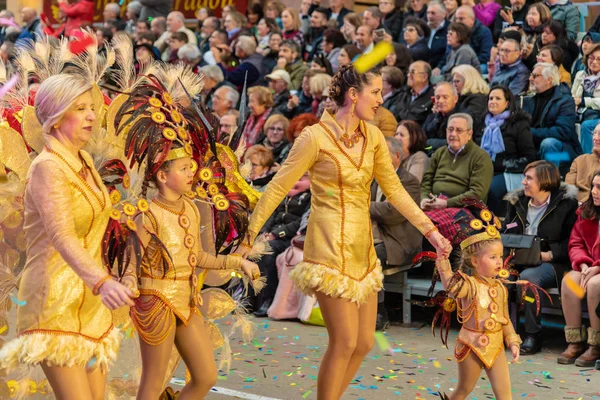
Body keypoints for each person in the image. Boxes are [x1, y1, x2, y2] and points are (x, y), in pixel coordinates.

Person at [239, 64, 451, 400]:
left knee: (365, 341)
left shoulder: (375, 138)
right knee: (345, 341)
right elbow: (278, 187)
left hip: (363, 250)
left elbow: (394, 190)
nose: (381, 99)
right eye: (376, 92)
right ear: (353, 95)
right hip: (327, 246)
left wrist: (432, 231)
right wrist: (248, 236)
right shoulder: (314, 137)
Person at [112, 75, 260, 400]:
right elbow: (130, 263)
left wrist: (237, 262)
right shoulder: (147, 214)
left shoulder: (192, 209)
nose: (192, 171)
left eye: (192, 166)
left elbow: (200, 259)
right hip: (155, 300)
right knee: (152, 384)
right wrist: (124, 284)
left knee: (205, 376)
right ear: (162, 176)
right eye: (183, 168)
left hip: (188, 298)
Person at [0, 74, 136, 398]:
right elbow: (62, 235)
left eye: (92, 107)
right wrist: (103, 282)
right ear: (57, 117)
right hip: (54, 302)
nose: (92, 115)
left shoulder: (84, 160)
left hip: (91, 303)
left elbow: (101, 227)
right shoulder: (49, 167)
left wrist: (125, 272)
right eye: (80, 108)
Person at [434, 207, 520, 400]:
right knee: (464, 389)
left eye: (500, 257)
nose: (499, 262)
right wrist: (443, 263)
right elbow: (452, 287)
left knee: (505, 395)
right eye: (492, 257)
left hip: (496, 345)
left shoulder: (501, 288)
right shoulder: (469, 285)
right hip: (471, 345)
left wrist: (512, 341)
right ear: (474, 261)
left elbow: (504, 319)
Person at [504, 161, 579, 355]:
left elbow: (572, 242)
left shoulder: (566, 205)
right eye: (524, 177)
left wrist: (548, 254)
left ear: (545, 181)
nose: (523, 182)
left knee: (529, 279)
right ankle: (501, 331)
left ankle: (532, 335)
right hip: (518, 258)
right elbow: (506, 231)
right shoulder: (517, 201)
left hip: (553, 262)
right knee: (499, 277)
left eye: (529, 178)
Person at [371, 137, 423, 330]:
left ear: (397, 156)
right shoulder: (372, 176)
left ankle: (379, 311)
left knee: (372, 257)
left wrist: (363, 205)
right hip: (377, 236)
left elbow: (393, 212)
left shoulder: (409, 182)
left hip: (400, 241)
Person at [559, 171, 600, 366]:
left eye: (599, 187)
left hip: (597, 270)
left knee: (595, 285)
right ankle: (575, 341)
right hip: (588, 265)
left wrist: (597, 268)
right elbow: (575, 243)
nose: (594, 191)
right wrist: (583, 263)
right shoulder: (586, 210)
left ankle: (596, 343)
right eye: (593, 186)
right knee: (569, 281)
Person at [479, 86, 536, 215]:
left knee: (489, 189)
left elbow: (529, 157)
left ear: (508, 103)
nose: (492, 101)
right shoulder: (483, 123)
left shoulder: (519, 123)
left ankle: (496, 224)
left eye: (498, 98)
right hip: (486, 169)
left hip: (511, 172)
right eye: (490, 98)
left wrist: (502, 165)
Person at [421, 113, 494, 212]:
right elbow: (426, 182)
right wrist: (424, 198)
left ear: (469, 134)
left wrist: (447, 203)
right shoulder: (440, 152)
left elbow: (477, 194)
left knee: (429, 225)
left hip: (464, 209)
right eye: (450, 129)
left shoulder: (481, 157)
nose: (453, 134)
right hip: (434, 204)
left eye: (459, 130)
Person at [522, 63, 581, 169]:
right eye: (531, 75)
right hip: (536, 149)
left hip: (565, 155)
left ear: (549, 79)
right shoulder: (528, 100)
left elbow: (563, 132)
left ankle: (549, 182)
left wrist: (530, 133)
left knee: (549, 143)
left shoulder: (565, 101)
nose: (530, 78)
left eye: (535, 76)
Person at [572, 43, 600, 154]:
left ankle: (590, 162)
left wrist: (583, 101)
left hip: (597, 115)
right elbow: (573, 95)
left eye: (599, 59)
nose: (594, 62)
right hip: (581, 113)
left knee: (587, 126)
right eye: (591, 58)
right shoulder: (580, 74)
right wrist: (573, 103)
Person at [422, 82, 463, 151]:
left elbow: (456, 144)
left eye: (445, 97)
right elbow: (422, 145)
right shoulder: (432, 117)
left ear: (455, 98)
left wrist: (430, 143)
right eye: (437, 97)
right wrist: (430, 147)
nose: (440, 101)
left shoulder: (464, 118)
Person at [565, 123, 600, 202]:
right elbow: (568, 190)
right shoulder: (580, 160)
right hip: (577, 208)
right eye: (594, 133)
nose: (595, 138)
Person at [393, 60, 434, 125]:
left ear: (424, 77)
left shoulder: (433, 98)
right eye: (408, 72)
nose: (408, 75)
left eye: (413, 72)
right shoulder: (403, 94)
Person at [427, 1, 449, 69]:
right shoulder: (423, 27)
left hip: (440, 66)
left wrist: (439, 66)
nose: (429, 16)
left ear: (444, 14)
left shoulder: (450, 29)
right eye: (428, 13)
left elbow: (449, 52)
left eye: (433, 13)